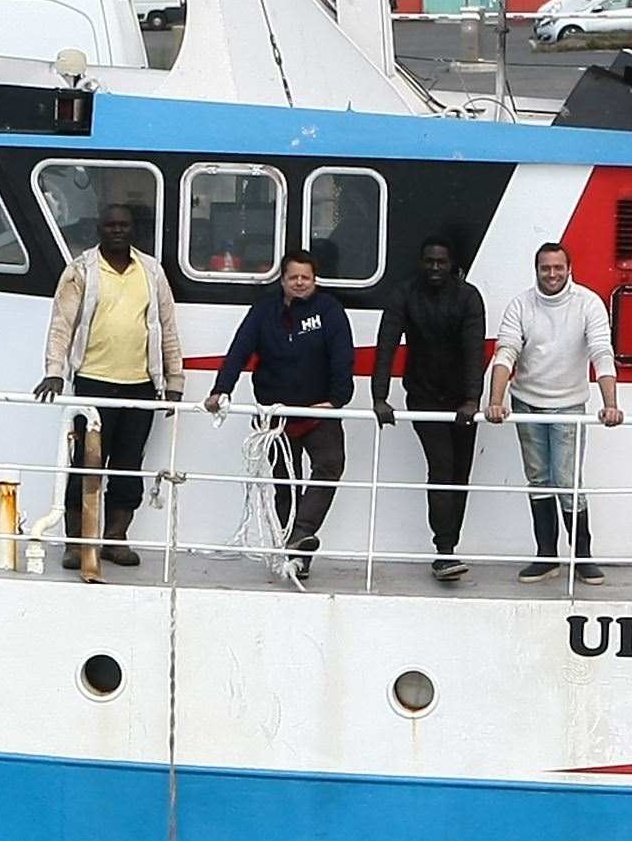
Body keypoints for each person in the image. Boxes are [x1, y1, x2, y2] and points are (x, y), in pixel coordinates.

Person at [37, 205, 184, 573]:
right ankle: (77, 543)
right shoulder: (80, 270)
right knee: (86, 465)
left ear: (133, 230)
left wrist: (174, 381)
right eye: (111, 225)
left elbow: (166, 327)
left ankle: (116, 539)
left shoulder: (151, 271)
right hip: (92, 382)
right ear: (98, 229)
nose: (118, 230)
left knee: (128, 465)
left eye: (124, 225)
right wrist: (55, 372)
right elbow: (61, 325)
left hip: (141, 384)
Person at [207, 250, 356, 580]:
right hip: (276, 415)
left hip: (319, 412)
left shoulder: (329, 310)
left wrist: (336, 400)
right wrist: (221, 389)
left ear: (314, 279)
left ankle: (300, 536)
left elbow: (343, 357)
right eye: (293, 277)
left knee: (330, 465)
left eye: (306, 277)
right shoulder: (263, 311)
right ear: (283, 280)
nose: (300, 282)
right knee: (284, 486)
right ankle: (297, 552)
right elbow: (239, 350)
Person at [482, 242, 621, 584]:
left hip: (569, 404)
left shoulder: (588, 303)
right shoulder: (521, 305)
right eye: (546, 268)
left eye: (558, 267)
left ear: (569, 268)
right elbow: (506, 353)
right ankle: (546, 556)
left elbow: (601, 353)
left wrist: (610, 404)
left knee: (567, 481)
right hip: (526, 402)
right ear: (537, 270)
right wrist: (495, 400)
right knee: (538, 479)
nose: (552, 274)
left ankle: (583, 556)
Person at [372, 237, 488, 583]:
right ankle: (444, 551)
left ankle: (450, 546)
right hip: (422, 396)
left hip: (461, 400)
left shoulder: (469, 297)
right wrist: (379, 396)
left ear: (453, 264)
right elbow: (386, 344)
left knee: (460, 474)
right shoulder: (404, 294)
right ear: (421, 263)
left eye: (441, 262)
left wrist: (472, 399)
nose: (435, 268)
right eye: (429, 262)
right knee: (441, 466)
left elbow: (474, 351)